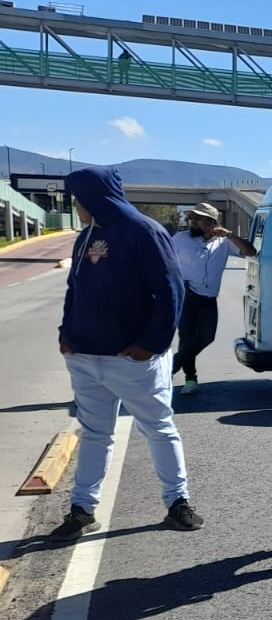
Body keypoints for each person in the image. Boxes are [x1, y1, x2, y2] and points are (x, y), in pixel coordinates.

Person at [50, 165, 203, 541]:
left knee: (158, 428)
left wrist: (150, 346)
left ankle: (177, 502)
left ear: (94, 198)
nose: (76, 206)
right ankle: (83, 509)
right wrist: (66, 335)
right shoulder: (87, 236)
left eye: (78, 199)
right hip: (85, 357)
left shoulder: (144, 231)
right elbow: (75, 289)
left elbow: (171, 292)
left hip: (132, 359)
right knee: (96, 433)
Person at [171, 201, 257, 394]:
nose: (192, 222)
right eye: (191, 218)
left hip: (208, 297)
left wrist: (230, 235)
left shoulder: (224, 242)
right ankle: (190, 379)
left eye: (198, 219)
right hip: (186, 295)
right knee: (187, 338)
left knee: (206, 337)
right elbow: (165, 261)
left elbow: (250, 252)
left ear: (211, 222)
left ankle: (172, 364)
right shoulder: (180, 239)